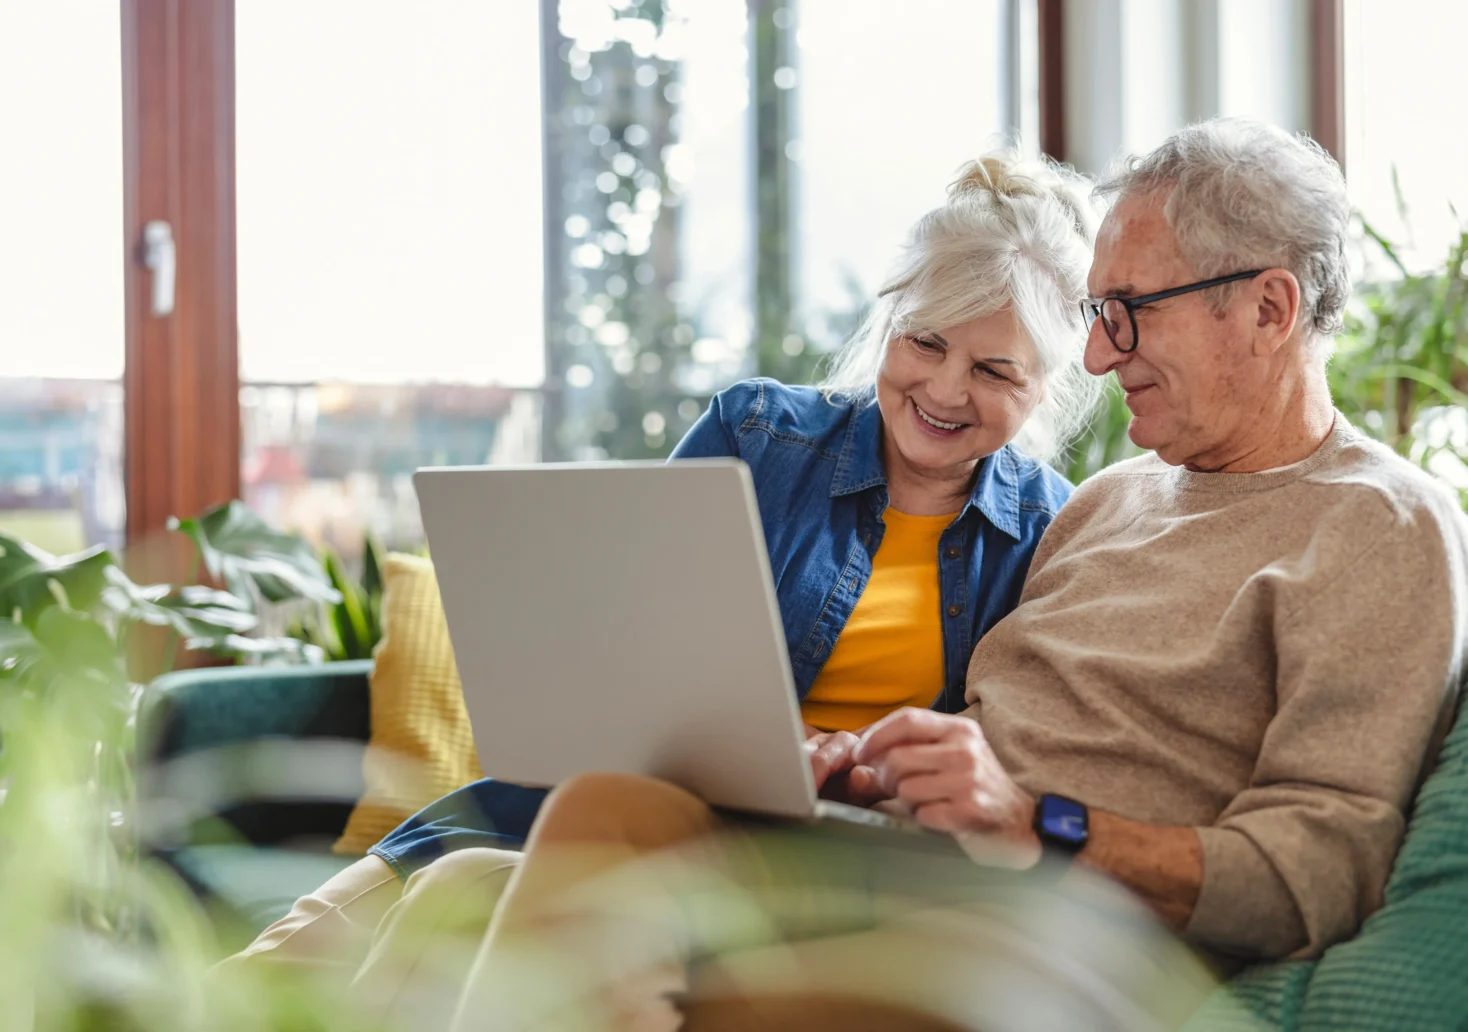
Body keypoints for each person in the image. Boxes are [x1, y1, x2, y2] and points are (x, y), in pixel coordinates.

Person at [413, 118, 1468, 1031]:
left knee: (582, 959)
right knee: (602, 812)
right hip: (904, 864)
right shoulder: (1112, 501)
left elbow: (1320, 870)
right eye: (1097, 314)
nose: (1097, 361)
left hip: (1069, 939)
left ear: (1270, 309)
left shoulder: (1377, 525)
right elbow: (993, 726)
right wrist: (879, 764)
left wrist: (1040, 824)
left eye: (1127, 312)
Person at [217, 151, 1105, 1011]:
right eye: (926, 342)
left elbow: (999, 762)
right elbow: (619, 652)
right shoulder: (759, 434)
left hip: (798, 857)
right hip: (600, 803)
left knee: (454, 898)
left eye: (994, 370)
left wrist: (864, 767)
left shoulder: (1052, 533)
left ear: (1047, 386)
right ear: (890, 320)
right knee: (278, 966)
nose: (945, 388)